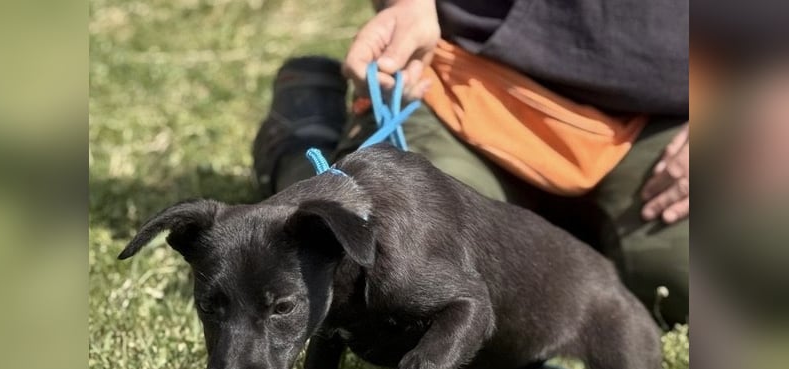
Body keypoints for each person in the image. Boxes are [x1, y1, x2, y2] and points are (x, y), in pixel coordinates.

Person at [253, 0, 688, 325]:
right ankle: (302, 138)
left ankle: (571, 230)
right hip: (465, 82)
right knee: (403, 281)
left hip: (672, 113)